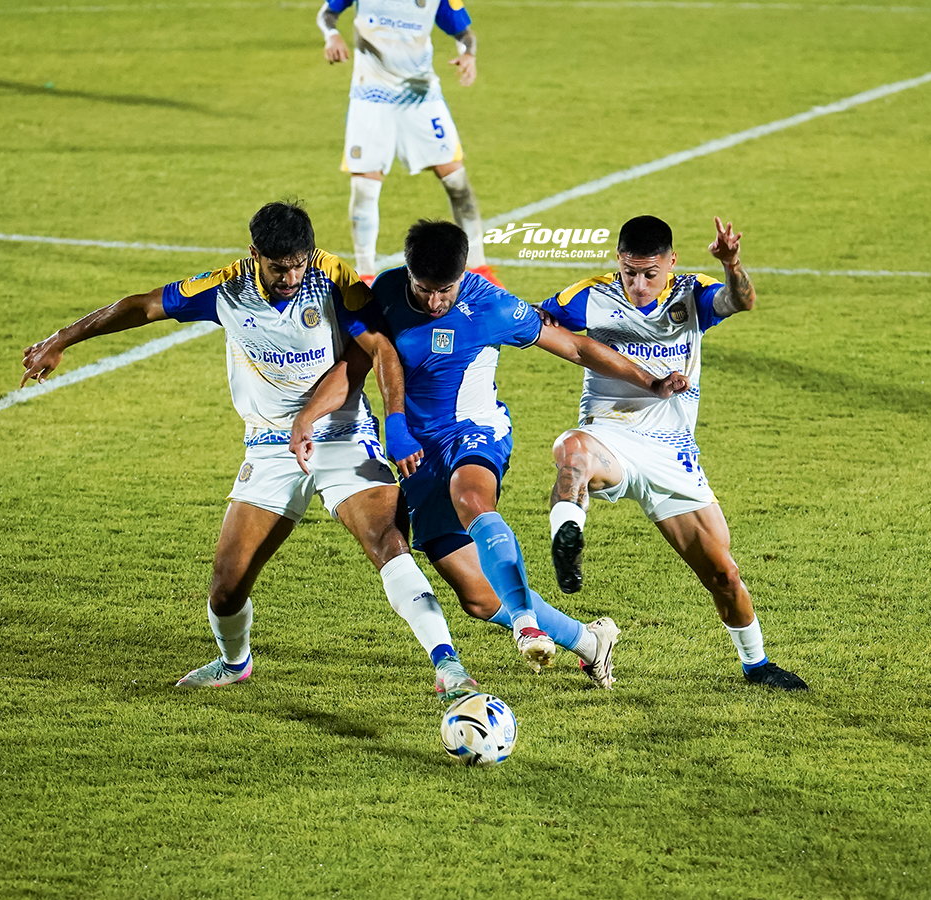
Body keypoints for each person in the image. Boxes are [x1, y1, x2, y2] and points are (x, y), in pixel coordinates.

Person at [19, 201, 479, 700]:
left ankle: (447, 665)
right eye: (280, 267)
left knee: (387, 541)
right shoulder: (225, 288)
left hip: (342, 433)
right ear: (254, 254)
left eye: (300, 263)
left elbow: (380, 350)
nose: (292, 276)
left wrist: (394, 425)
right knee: (225, 586)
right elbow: (142, 306)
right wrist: (62, 339)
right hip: (269, 446)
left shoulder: (332, 279)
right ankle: (234, 662)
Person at [294, 220, 691, 689]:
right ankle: (590, 642)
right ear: (408, 273)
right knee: (479, 599)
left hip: (476, 431)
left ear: (463, 274)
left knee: (471, 497)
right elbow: (360, 362)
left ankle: (526, 623)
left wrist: (650, 381)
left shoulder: (490, 303)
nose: (436, 302)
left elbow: (577, 347)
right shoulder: (385, 291)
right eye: (424, 290)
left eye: (446, 290)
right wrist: (307, 418)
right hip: (417, 455)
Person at [539, 214, 808, 691]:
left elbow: (740, 300)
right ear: (617, 263)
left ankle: (757, 665)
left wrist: (732, 264)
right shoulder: (588, 296)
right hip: (612, 435)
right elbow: (533, 321)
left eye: (649, 273)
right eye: (628, 272)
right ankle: (567, 541)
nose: (638, 285)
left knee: (724, 573)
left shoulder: (691, 293)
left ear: (670, 263)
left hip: (673, 454)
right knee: (572, 448)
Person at [316, 0, 501, 287]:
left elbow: (465, 34)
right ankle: (365, 276)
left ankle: (478, 268)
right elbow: (327, 13)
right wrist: (332, 35)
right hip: (370, 98)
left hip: (421, 97)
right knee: (364, 187)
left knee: (457, 181)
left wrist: (469, 55)